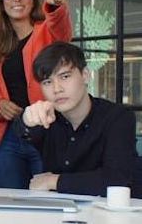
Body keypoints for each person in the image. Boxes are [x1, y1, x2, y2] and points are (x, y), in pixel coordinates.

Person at [0, 0, 72, 189]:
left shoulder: (47, 31)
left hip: (47, 132)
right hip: (9, 137)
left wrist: (56, 6)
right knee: (10, 204)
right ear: (1, 1)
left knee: (49, 203)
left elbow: (61, 28)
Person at [12, 42, 137, 196]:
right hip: (59, 212)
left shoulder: (118, 118)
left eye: (65, 76)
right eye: (47, 82)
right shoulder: (48, 118)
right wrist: (26, 119)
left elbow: (117, 180)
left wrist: (54, 181)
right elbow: (21, 131)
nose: (57, 89)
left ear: (85, 75)